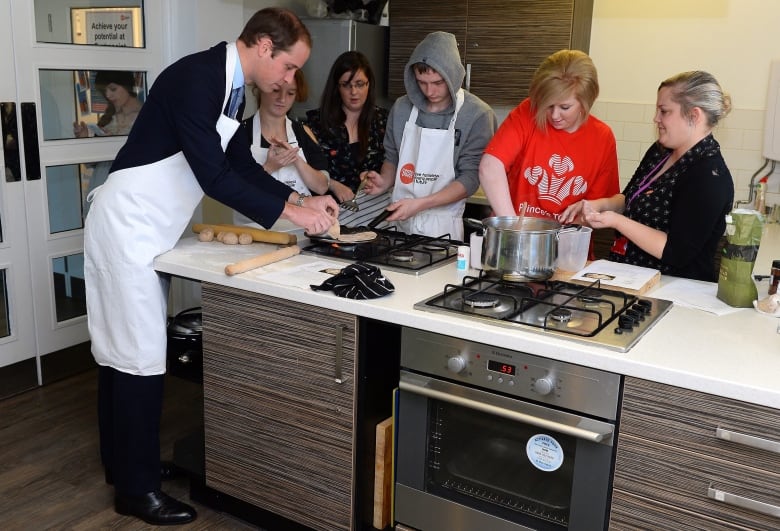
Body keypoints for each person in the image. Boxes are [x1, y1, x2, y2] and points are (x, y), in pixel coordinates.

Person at [83, 8, 337, 526]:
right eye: (289, 67)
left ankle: (124, 465)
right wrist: (295, 212)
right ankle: (136, 491)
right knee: (136, 356)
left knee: (121, 350)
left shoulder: (230, 87)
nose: (290, 80)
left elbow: (239, 163)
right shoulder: (199, 77)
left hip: (145, 227)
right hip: (127, 223)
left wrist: (302, 203)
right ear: (264, 45)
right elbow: (215, 175)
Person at [584, 71, 734, 281]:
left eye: (664, 111)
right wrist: (600, 205)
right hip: (629, 277)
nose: (656, 118)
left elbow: (677, 252)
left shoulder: (709, 176)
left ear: (695, 115)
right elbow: (630, 199)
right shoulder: (661, 151)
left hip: (674, 290)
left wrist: (616, 221)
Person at [362, 31, 497, 241]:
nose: (429, 91)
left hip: (442, 228)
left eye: (438, 83)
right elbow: (393, 158)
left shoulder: (477, 115)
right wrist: (383, 181)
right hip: (398, 222)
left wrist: (421, 204)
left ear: (453, 76)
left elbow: (470, 178)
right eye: (422, 82)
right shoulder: (402, 108)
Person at [478, 49, 620, 225]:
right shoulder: (528, 112)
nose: (554, 115)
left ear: (586, 101)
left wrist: (547, 240)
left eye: (565, 107)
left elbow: (598, 208)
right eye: (548, 105)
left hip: (568, 246)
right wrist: (514, 228)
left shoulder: (602, 138)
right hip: (514, 239)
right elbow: (490, 168)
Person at [305, 51, 391, 227]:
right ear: (337, 87)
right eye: (346, 85)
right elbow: (305, 170)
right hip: (329, 216)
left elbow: (395, 163)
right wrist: (333, 184)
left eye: (360, 84)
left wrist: (377, 177)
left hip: (376, 216)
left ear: (369, 84)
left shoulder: (384, 120)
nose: (354, 92)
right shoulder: (317, 123)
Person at [234, 69, 329, 225]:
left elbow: (322, 187)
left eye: (290, 93)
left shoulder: (303, 132)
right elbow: (234, 189)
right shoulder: (241, 133)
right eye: (276, 90)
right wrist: (270, 167)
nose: (282, 99)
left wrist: (296, 159)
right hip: (254, 229)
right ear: (261, 88)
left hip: (301, 228)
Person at [73, 70, 144, 209]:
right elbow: (93, 163)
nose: (108, 95)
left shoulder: (144, 117)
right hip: (100, 184)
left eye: (113, 89)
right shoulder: (108, 118)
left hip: (128, 188)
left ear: (127, 86)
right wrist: (85, 139)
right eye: (104, 91)